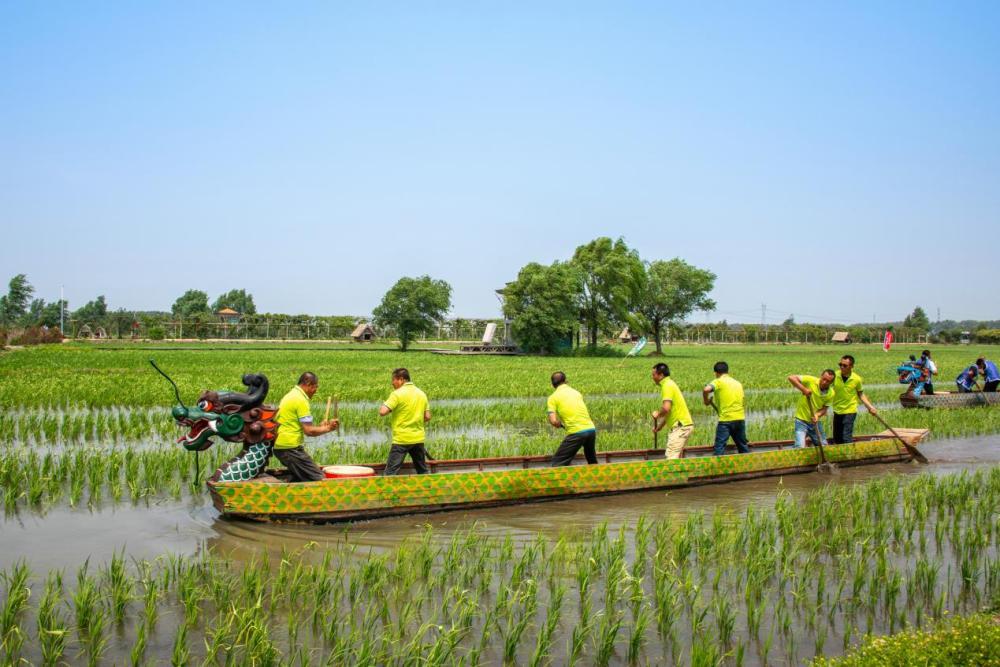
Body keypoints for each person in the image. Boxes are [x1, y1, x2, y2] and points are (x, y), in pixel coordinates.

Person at [273, 372, 339, 482]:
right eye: (315, 387)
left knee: (301, 478)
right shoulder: (300, 400)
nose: (316, 390)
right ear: (308, 384)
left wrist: (322, 427)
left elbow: (305, 426)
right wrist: (329, 428)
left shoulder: (292, 394)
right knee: (319, 479)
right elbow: (309, 431)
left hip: (283, 447)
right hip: (289, 448)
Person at [378, 368, 431, 475]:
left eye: (393, 380)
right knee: (423, 471)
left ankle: (387, 491)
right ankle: (428, 488)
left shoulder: (397, 394)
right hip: (418, 439)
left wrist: (387, 404)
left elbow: (382, 412)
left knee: (390, 473)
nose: (392, 383)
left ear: (401, 379)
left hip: (401, 439)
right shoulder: (421, 393)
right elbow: (427, 416)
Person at [546, 371, 598, 466]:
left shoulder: (553, 398)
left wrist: (558, 424)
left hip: (577, 432)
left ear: (552, 385)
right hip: (591, 429)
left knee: (557, 463)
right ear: (566, 381)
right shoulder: (576, 393)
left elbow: (553, 421)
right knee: (591, 459)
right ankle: (598, 476)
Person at [703, 361, 750, 456]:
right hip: (740, 418)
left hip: (726, 420)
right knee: (742, 446)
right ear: (727, 371)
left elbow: (706, 389)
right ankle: (747, 465)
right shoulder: (738, 383)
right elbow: (742, 400)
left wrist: (706, 401)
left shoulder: (718, 381)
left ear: (716, 373)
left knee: (719, 447)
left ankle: (717, 468)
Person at [831, 355, 878, 444]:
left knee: (846, 437)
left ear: (851, 366)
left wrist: (870, 407)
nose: (842, 367)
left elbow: (861, 394)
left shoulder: (856, 379)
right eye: (840, 364)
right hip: (837, 410)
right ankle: (839, 456)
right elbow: (825, 388)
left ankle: (849, 456)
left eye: (845, 365)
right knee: (837, 438)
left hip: (850, 411)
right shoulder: (835, 375)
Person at [651, 363, 694, 459]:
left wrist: (657, 414)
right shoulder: (669, 384)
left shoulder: (667, 385)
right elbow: (669, 412)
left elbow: (666, 408)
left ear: (661, 375)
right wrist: (659, 427)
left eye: (654, 375)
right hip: (683, 426)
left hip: (680, 427)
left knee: (671, 457)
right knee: (676, 456)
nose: (652, 377)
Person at [787, 370, 834, 448]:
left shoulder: (831, 393)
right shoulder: (811, 380)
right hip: (801, 420)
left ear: (831, 383)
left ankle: (809, 441)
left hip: (814, 422)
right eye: (823, 379)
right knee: (800, 446)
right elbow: (791, 378)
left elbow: (824, 409)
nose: (824, 382)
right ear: (821, 376)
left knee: (823, 445)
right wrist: (804, 389)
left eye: (828, 381)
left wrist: (817, 415)